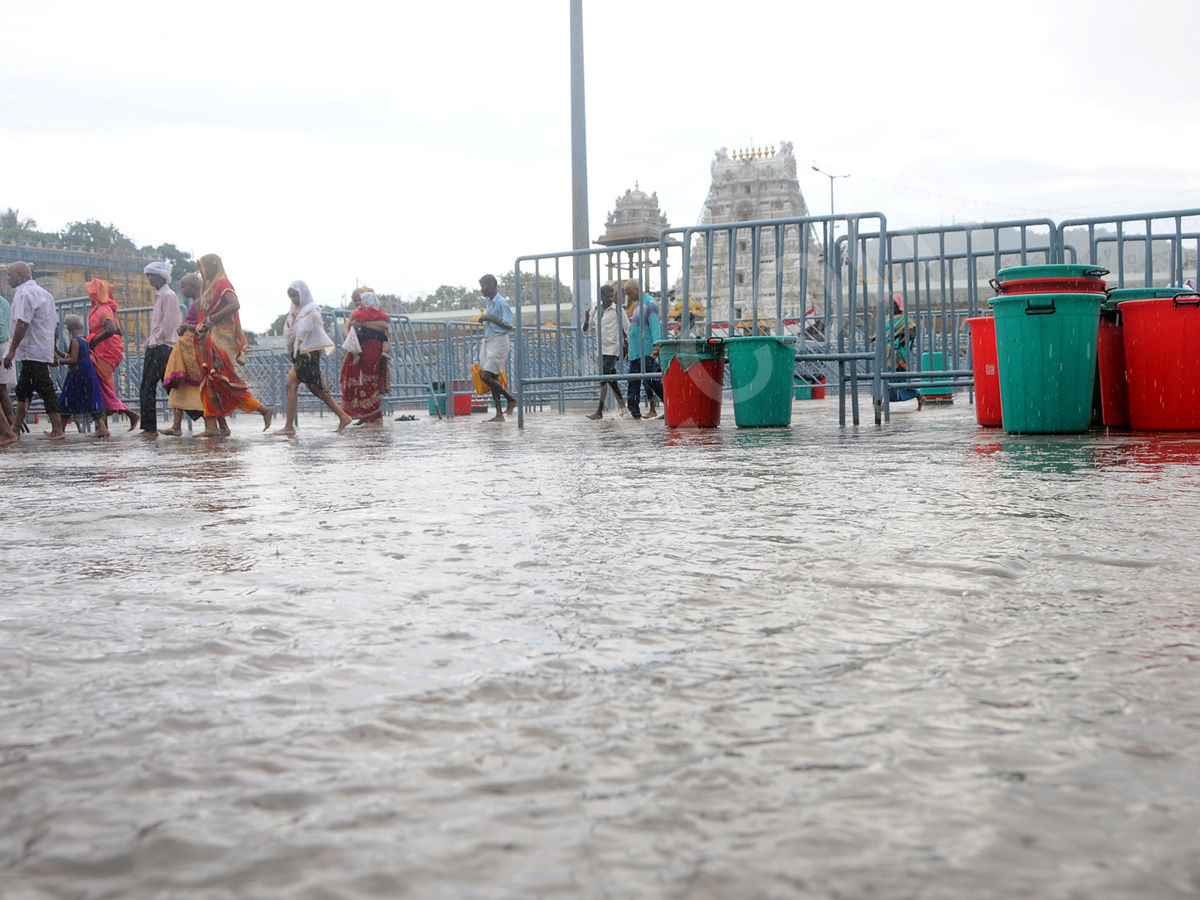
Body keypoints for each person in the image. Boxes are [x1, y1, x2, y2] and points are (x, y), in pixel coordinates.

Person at [194, 253, 272, 435]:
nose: (203, 272)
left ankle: (262, 409)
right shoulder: (208, 287)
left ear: (213, 266)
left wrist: (212, 319)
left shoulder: (222, 284)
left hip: (220, 340)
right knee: (209, 380)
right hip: (209, 339)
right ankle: (212, 426)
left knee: (224, 380)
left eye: (205, 268)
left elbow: (234, 304)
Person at [274, 280, 352, 436]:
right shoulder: (295, 310)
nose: (293, 299)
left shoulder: (311, 309)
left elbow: (306, 328)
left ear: (302, 293)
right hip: (301, 354)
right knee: (310, 387)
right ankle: (343, 416)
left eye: (295, 295)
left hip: (308, 354)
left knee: (302, 386)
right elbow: (291, 330)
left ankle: (290, 426)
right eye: (291, 296)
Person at [2, 261, 66, 441]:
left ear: (20, 276)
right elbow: (53, 325)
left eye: (9, 275)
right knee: (25, 388)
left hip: (31, 349)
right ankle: (15, 428)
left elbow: (22, 322)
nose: (8, 279)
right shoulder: (44, 293)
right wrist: (52, 349)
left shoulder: (24, 294)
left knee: (44, 388)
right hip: (40, 348)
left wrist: (12, 351)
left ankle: (57, 428)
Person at [135, 260, 182, 436]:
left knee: (148, 386)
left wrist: (155, 339)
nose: (149, 280)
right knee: (170, 386)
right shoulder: (163, 295)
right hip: (161, 344)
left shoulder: (167, 296)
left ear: (160, 277)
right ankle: (201, 415)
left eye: (151, 276)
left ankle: (149, 427)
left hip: (161, 345)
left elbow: (169, 323)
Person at [86, 277, 139, 430]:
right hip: (100, 350)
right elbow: (118, 331)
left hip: (103, 352)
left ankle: (107, 424)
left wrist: (95, 341)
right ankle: (109, 423)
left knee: (100, 385)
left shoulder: (104, 309)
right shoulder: (102, 308)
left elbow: (111, 330)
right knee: (101, 386)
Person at [161, 273, 207, 435]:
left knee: (195, 388)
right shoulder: (196, 303)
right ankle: (176, 426)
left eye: (183, 287)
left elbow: (202, 327)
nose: (181, 291)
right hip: (186, 350)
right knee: (180, 388)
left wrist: (185, 326)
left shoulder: (198, 303)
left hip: (192, 352)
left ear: (193, 287)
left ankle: (216, 426)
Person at [339, 287, 390, 425]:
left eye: (359, 300)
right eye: (354, 301)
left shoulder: (375, 313)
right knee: (359, 383)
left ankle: (374, 415)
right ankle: (364, 414)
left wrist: (363, 323)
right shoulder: (356, 313)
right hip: (357, 348)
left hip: (372, 350)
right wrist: (350, 338)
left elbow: (383, 326)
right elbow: (346, 327)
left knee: (370, 381)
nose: (357, 303)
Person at [53, 314, 109, 438]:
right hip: (87, 373)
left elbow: (72, 359)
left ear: (68, 328)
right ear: (81, 325)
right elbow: (75, 356)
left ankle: (60, 430)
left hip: (78, 374)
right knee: (91, 399)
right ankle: (102, 427)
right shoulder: (84, 340)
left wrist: (57, 362)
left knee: (67, 400)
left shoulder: (74, 340)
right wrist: (57, 352)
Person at [582, 283, 629, 420]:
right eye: (607, 296)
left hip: (614, 348)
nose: (610, 299)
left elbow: (627, 328)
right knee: (611, 378)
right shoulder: (595, 311)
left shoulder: (618, 310)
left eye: (611, 296)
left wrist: (629, 349)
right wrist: (586, 319)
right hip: (601, 349)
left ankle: (599, 411)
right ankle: (623, 407)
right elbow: (585, 330)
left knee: (603, 377)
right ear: (601, 296)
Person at [477, 273, 518, 423]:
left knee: (486, 376)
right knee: (492, 377)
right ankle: (499, 414)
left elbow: (508, 325)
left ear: (492, 285)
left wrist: (489, 318)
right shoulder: (490, 302)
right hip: (490, 341)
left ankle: (511, 399)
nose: (482, 290)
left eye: (484, 286)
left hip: (499, 342)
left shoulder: (501, 303)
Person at [623, 280, 664, 420]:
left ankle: (670, 403)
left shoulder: (650, 303)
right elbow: (634, 330)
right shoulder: (639, 305)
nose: (629, 297)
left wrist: (656, 345)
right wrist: (630, 351)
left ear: (637, 289)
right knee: (633, 382)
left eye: (630, 293)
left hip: (646, 350)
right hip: (636, 352)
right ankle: (634, 411)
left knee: (652, 380)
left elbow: (655, 325)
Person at [886, 293, 925, 410]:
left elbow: (910, 335)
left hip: (897, 352)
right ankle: (918, 397)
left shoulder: (905, 319)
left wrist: (896, 345)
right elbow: (884, 333)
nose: (892, 307)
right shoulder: (887, 318)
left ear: (900, 305)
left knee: (896, 376)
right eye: (891, 304)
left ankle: (883, 401)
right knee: (891, 376)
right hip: (888, 352)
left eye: (895, 304)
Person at [0, 287, 17, 438]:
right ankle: (11, 425)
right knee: (2, 389)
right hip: (5, 344)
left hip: (0, 344)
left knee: (1, 389)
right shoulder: (5, 303)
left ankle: (8, 430)